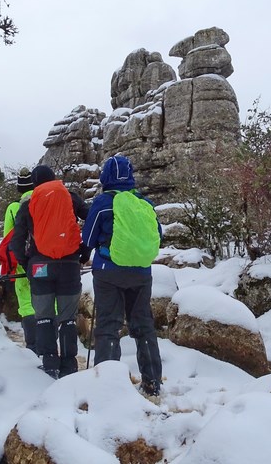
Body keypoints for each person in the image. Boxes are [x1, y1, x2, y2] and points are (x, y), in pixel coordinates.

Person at [81, 154, 164, 397]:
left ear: (105, 177)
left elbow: (88, 239)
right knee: (144, 326)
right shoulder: (144, 203)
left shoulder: (103, 202)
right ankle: (152, 383)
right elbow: (158, 235)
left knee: (108, 326)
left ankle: (108, 386)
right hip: (141, 273)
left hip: (109, 273)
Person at [10, 165, 90, 379]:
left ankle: (50, 365)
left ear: (34, 183)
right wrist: (84, 250)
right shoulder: (70, 197)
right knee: (68, 318)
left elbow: (16, 242)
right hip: (70, 265)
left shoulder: (28, 204)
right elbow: (90, 219)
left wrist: (27, 264)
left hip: (40, 266)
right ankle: (70, 366)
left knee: (44, 317)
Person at [2, 167, 37, 353]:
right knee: (50, 303)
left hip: (23, 263)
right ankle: (50, 345)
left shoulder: (13, 208)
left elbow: (8, 238)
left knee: (27, 304)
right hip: (48, 260)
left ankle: (32, 347)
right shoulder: (44, 201)